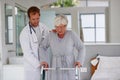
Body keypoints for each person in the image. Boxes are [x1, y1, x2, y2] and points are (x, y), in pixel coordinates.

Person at [39, 14, 85, 80]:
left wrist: (79, 60)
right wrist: (44, 60)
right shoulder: (51, 35)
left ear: (66, 25)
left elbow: (81, 47)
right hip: (55, 65)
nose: (59, 30)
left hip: (69, 65)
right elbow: (42, 47)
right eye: (57, 27)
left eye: (61, 27)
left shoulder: (71, 34)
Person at [19, 6, 49, 80]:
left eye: (37, 18)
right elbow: (27, 53)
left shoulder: (44, 27)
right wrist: (39, 64)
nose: (36, 21)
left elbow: (48, 42)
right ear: (29, 18)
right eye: (33, 19)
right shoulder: (25, 33)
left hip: (44, 63)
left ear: (39, 16)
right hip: (33, 67)